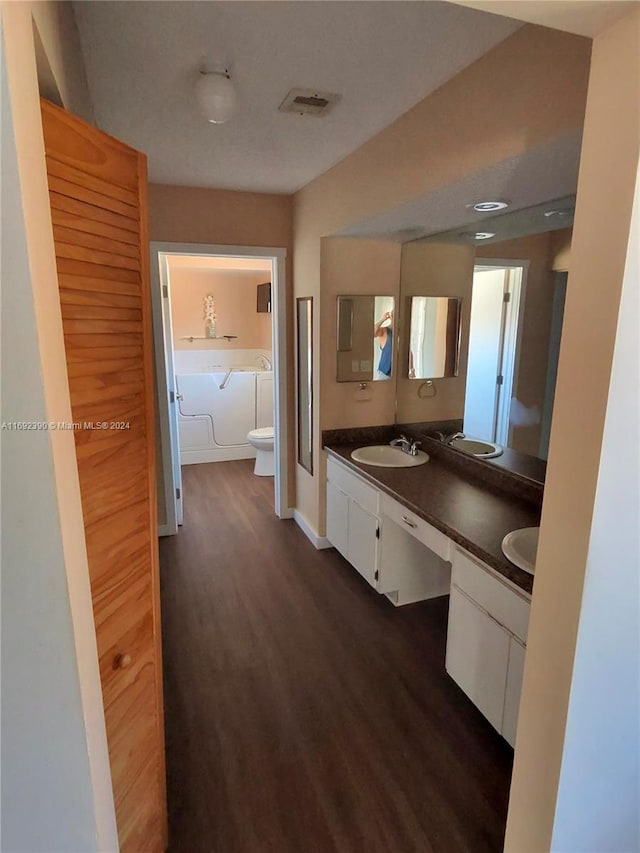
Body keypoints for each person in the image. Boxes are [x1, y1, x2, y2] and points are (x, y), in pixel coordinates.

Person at [374, 311, 393, 379]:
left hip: (398, 373)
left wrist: (411, 369)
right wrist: (383, 319)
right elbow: (371, 332)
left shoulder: (402, 332)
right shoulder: (384, 331)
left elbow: (409, 351)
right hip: (384, 373)